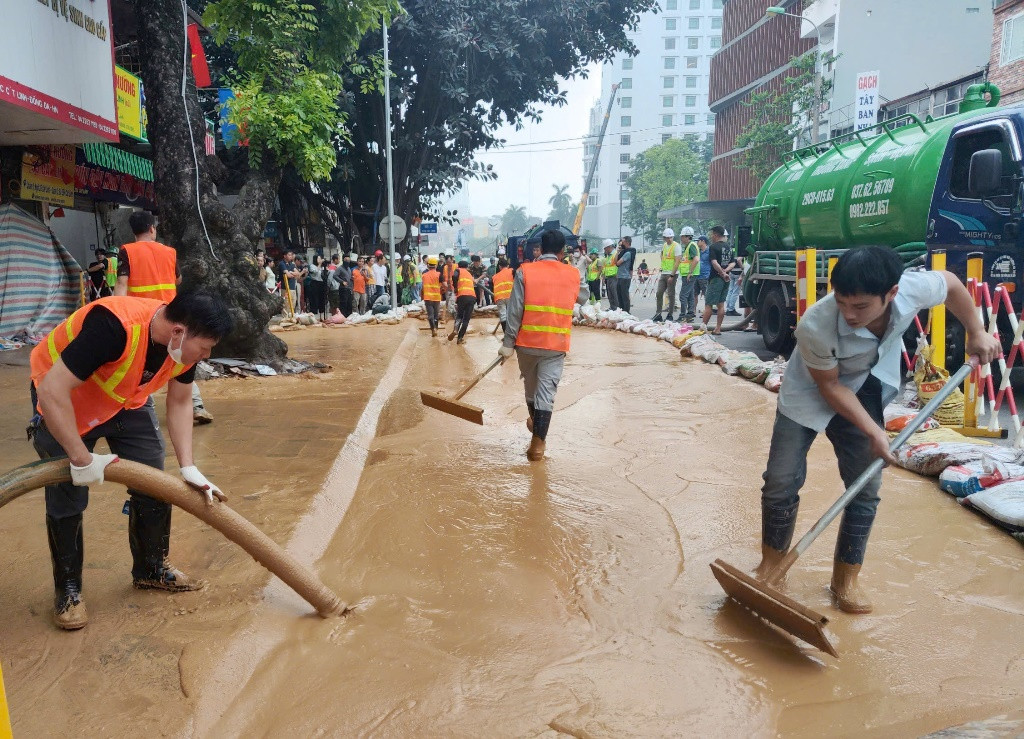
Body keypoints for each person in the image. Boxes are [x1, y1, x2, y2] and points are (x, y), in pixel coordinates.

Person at [756, 246, 1000, 614]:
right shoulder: (815, 326)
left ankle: (845, 580)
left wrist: (976, 331)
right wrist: (875, 431)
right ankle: (771, 568)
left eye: (861, 307)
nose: (849, 314)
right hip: (810, 391)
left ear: (892, 293)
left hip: (866, 383)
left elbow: (950, 284)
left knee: (865, 486)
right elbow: (831, 388)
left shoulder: (912, 288)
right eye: (842, 303)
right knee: (780, 479)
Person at [28, 291, 234, 630]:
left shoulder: (181, 347)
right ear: (179, 332)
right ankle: (68, 590)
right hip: (62, 398)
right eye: (206, 348)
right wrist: (81, 458)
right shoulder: (113, 327)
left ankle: (151, 569)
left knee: (152, 476)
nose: (207, 356)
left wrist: (188, 467)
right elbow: (52, 390)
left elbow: (181, 401)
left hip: (124, 400)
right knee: (67, 488)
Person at [114, 210, 212, 426]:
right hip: (173, 315)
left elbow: (122, 283)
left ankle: (137, 410)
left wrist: (117, 313)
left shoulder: (127, 251)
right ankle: (196, 405)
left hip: (143, 320)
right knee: (179, 362)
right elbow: (178, 280)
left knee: (141, 363)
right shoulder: (169, 252)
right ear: (152, 228)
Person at [499, 230, 588, 461]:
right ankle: (537, 446)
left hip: (526, 344)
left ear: (539, 248)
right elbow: (584, 297)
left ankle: (536, 428)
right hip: (555, 345)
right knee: (546, 394)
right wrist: (575, 272)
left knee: (531, 391)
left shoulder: (525, 272)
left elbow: (515, 310)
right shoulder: (572, 274)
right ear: (562, 251)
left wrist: (508, 343)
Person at [701, 226, 733, 335]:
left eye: (712, 234)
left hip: (715, 279)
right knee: (721, 304)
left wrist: (721, 273)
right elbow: (733, 263)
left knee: (709, 304)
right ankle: (718, 328)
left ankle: (702, 327)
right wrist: (726, 272)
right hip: (726, 279)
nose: (711, 236)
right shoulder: (729, 247)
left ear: (715, 235)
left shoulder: (713, 247)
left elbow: (714, 263)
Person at [653, 227, 682, 322]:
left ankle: (670, 314)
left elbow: (677, 261)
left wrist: (672, 275)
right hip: (664, 272)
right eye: (666, 237)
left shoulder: (676, 246)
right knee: (659, 293)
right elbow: (662, 255)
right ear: (664, 238)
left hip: (672, 274)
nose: (668, 239)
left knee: (671, 294)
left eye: (670, 237)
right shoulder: (665, 246)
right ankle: (658, 314)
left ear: (672, 237)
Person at [449, 259, 477, 345]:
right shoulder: (469, 274)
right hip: (472, 297)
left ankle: (455, 329)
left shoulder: (458, 270)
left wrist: (455, 287)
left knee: (459, 316)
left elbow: (454, 276)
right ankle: (460, 338)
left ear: (459, 266)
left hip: (462, 296)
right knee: (466, 319)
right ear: (467, 266)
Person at [677, 226, 700, 322]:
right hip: (688, 274)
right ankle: (690, 314)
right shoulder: (688, 246)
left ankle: (683, 315)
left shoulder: (691, 246)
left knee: (683, 295)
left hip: (690, 274)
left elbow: (696, 259)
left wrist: (690, 272)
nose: (681, 239)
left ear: (687, 237)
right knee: (690, 295)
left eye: (682, 237)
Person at [422, 256, 443, 336]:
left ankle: (433, 329)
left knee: (430, 315)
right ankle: (436, 329)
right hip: (436, 297)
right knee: (436, 315)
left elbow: (423, 286)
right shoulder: (439, 274)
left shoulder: (424, 274)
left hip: (427, 298)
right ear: (436, 265)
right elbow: (442, 285)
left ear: (428, 265)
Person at [725, 230, 744, 316]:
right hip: (738, 273)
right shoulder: (741, 248)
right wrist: (743, 268)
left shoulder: (731, 248)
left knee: (730, 290)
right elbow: (739, 259)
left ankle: (728, 307)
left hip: (731, 271)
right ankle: (731, 309)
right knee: (735, 292)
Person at [615, 236, 636, 314]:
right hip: (620, 276)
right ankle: (621, 311)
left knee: (624, 296)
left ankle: (626, 312)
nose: (621, 244)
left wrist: (618, 253)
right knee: (619, 295)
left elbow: (617, 263)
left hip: (625, 277)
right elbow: (615, 261)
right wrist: (618, 252)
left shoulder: (627, 253)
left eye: (622, 242)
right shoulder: (624, 252)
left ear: (627, 242)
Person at [492, 257, 514, 333]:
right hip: (510, 296)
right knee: (512, 315)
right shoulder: (511, 271)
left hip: (499, 298)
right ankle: (513, 335)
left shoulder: (494, 277)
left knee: (503, 316)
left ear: (499, 267)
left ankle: (506, 335)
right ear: (507, 266)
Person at [602, 239, 619, 310]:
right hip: (608, 277)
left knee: (615, 293)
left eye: (605, 248)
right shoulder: (607, 256)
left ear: (609, 247)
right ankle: (612, 307)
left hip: (614, 276)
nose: (604, 250)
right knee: (610, 294)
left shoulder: (615, 254)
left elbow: (617, 265)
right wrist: (603, 277)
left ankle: (617, 308)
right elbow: (606, 267)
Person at [695, 236, 711, 311]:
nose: (697, 243)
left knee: (706, 294)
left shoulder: (710, 251)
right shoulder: (697, 251)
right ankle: (693, 310)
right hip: (696, 275)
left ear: (703, 241)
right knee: (694, 294)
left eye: (698, 241)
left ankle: (706, 311)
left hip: (705, 276)